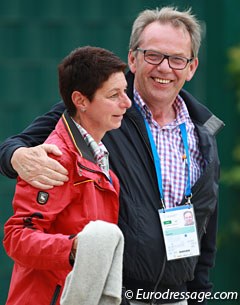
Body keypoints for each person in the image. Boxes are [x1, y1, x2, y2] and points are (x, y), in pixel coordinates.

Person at [0, 6, 224, 305]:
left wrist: (198, 294)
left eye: (177, 59)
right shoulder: (103, 107)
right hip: (115, 293)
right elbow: (18, 144)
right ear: (133, 58)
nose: (164, 68)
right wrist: (16, 156)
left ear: (191, 67)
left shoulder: (203, 133)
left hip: (176, 295)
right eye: (153, 55)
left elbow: (204, 225)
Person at [3, 46, 131, 305]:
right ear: (81, 100)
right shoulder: (55, 158)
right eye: (114, 95)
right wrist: (74, 248)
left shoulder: (97, 153)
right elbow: (17, 236)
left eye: (125, 92)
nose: (126, 103)